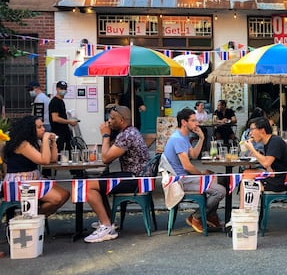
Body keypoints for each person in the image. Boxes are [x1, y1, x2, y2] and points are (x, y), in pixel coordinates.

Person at [84, 106, 150, 243]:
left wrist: (106, 135)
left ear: (121, 120)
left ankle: (106, 227)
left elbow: (106, 159)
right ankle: (108, 219)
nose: (109, 121)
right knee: (98, 181)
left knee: (88, 186)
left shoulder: (126, 135)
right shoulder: (130, 131)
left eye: (112, 118)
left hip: (135, 179)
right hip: (137, 176)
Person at [164, 108, 226, 233]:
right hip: (180, 181)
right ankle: (196, 217)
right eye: (193, 121)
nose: (196, 123)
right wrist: (202, 174)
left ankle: (210, 216)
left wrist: (202, 138)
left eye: (196, 121)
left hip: (186, 177)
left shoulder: (184, 136)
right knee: (220, 191)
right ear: (184, 122)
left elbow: (193, 155)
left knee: (223, 178)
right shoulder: (178, 139)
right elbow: (187, 166)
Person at [3, 116, 70, 215]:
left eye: (43, 126)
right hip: (19, 181)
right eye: (39, 127)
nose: (43, 129)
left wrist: (53, 143)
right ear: (30, 129)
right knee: (56, 198)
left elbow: (52, 159)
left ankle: (37, 217)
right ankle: (33, 218)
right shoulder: (23, 144)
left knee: (65, 194)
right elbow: (45, 160)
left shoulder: (34, 142)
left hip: (32, 178)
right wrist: (45, 139)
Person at [239, 117, 287, 208]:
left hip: (285, 181)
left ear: (262, 130)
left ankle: (244, 212)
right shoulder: (267, 142)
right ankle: (246, 211)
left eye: (252, 130)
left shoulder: (275, 141)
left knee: (247, 177)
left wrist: (252, 149)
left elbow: (266, 163)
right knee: (247, 174)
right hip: (275, 175)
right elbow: (269, 167)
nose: (250, 133)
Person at [49, 81, 78, 153]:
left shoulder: (61, 101)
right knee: (60, 153)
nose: (63, 90)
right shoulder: (54, 102)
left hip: (64, 133)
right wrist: (69, 122)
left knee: (68, 152)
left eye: (65, 88)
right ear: (57, 89)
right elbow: (55, 118)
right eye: (61, 88)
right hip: (58, 133)